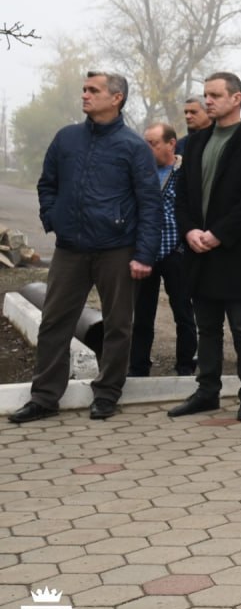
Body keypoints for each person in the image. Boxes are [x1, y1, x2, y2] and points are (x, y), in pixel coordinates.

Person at [10, 72, 161, 424]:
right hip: (70, 250)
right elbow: (47, 183)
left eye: (94, 90)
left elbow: (149, 203)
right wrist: (54, 219)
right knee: (54, 322)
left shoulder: (133, 146)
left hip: (117, 250)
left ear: (117, 97)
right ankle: (45, 397)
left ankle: (107, 393)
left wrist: (143, 254)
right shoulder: (67, 139)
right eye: (84, 89)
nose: (85, 95)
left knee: (118, 325)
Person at [169, 72, 241, 422]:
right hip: (198, 249)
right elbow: (181, 195)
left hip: (234, 251)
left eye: (215, 95)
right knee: (207, 327)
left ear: (237, 98)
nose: (207, 101)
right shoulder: (195, 142)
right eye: (206, 95)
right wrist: (189, 232)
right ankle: (207, 391)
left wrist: (217, 234)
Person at [129, 122, 198, 378]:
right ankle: (137, 368)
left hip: (176, 251)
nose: (147, 148)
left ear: (171, 143)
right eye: (144, 143)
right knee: (142, 315)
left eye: (153, 143)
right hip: (145, 252)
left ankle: (185, 366)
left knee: (183, 311)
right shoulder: (139, 171)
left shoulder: (186, 172)